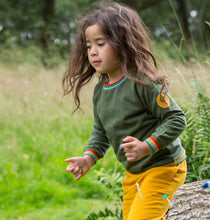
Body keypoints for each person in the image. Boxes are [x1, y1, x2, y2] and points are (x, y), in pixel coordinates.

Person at [62, 2, 187, 220]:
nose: (92, 52)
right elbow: (101, 132)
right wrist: (88, 159)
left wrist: (147, 146)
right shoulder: (101, 91)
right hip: (133, 173)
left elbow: (176, 119)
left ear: (122, 43)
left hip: (164, 167)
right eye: (88, 45)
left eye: (100, 43)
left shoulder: (143, 82)